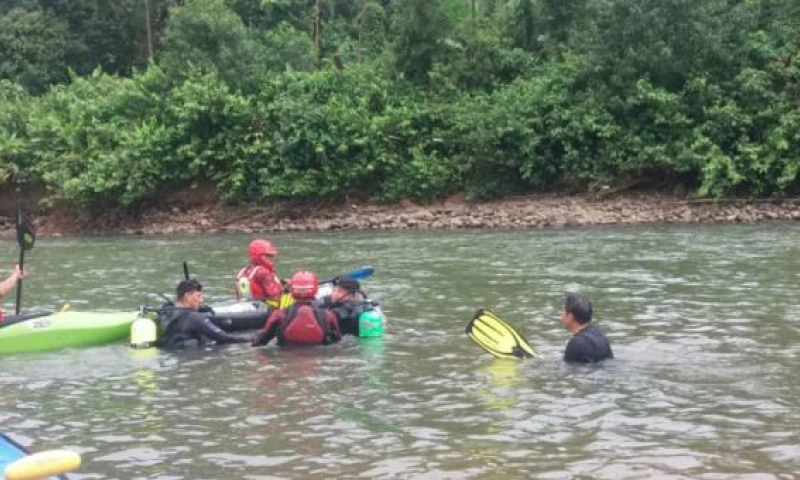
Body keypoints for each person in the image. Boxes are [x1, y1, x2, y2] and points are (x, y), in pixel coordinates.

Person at [251, 271, 341, 347]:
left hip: (287, 358)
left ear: (292, 289)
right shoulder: (328, 315)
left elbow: (260, 341)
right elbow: (337, 340)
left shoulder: (279, 315)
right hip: (318, 361)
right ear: (315, 289)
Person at [156, 279, 249, 349]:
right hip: (191, 357)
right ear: (187, 296)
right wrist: (251, 340)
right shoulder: (194, 318)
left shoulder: (165, 310)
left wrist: (199, 308)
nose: (201, 300)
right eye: (198, 296)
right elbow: (223, 337)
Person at [560, 294, 613, 363]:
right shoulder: (599, 333)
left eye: (563, 311)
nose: (561, 314)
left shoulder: (575, 344)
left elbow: (569, 370)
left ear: (570, 316)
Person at [235, 239, 283, 304]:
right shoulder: (263, 272)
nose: (271, 259)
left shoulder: (242, 272)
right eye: (267, 256)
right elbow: (276, 296)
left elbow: (238, 297)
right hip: (265, 309)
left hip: (248, 309)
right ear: (258, 256)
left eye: (271, 256)